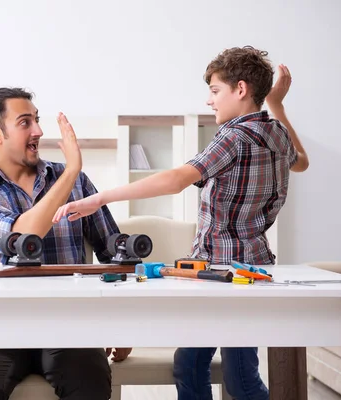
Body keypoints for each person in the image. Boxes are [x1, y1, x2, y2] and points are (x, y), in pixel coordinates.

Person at [53, 46, 309, 400]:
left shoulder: (234, 137)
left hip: (225, 273)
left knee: (237, 378)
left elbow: (176, 180)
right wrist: (276, 105)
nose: (209, 101)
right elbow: (302, 162)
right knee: (195, 365)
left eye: (215, 91)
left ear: (241, 89)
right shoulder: (276, 133)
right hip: (251, 265)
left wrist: (99, 198)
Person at [0, 87, 130, 400]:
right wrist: (72, 171)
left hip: (69, 323)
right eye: (25, 122)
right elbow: (21, 236)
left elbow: (115, 252)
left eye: (37, 120)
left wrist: (121, 322)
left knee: (91, 381)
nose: (38, 130)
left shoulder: (76, 183)